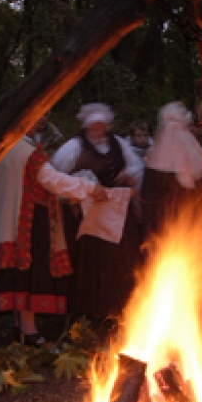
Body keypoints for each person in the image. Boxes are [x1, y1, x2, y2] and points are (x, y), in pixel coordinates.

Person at [0, 130, 109, 345]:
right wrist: (90, 187)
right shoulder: (29, 152)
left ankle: (20, 325)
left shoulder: (8, 145)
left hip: (11, 218)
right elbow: (52, 180)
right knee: (30, 270)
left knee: (19, 269)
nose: (43, 117)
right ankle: (29, 330)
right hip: (30, 220)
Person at [52, 103, 144, 328]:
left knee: (119, 260)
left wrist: (129, 175)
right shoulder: (74, 146)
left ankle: (121, 307)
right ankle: (90, 309)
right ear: (86, 127)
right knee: (90, 259)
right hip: (87, 213)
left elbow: (136, 167)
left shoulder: (119, 144)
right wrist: (78, 190)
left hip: (118, 212)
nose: (98, 129)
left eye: (102, 125)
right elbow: (57, 173)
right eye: (94, 126)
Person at [139, 102, 202, 241]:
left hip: (191, 228)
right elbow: (150, 205)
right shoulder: (156, 165)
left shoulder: (197, 160)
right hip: (167, 231)